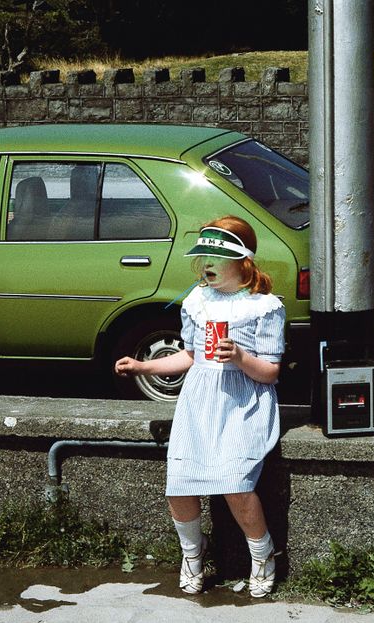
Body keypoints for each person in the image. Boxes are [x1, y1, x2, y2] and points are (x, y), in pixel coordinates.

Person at [114, 215, 285, 598]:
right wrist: (145, 366)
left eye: (216, 256)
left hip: (242, 402)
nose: (206, 263)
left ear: (242, 262)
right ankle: (192, 554)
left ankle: (263, 555)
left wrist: (241, 357)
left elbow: (271, 372)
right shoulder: (197, 302)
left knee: (236, 484)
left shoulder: (264, 307)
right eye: (202, 256)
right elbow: (190, 355)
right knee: (179, 484)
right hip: (200, 400)